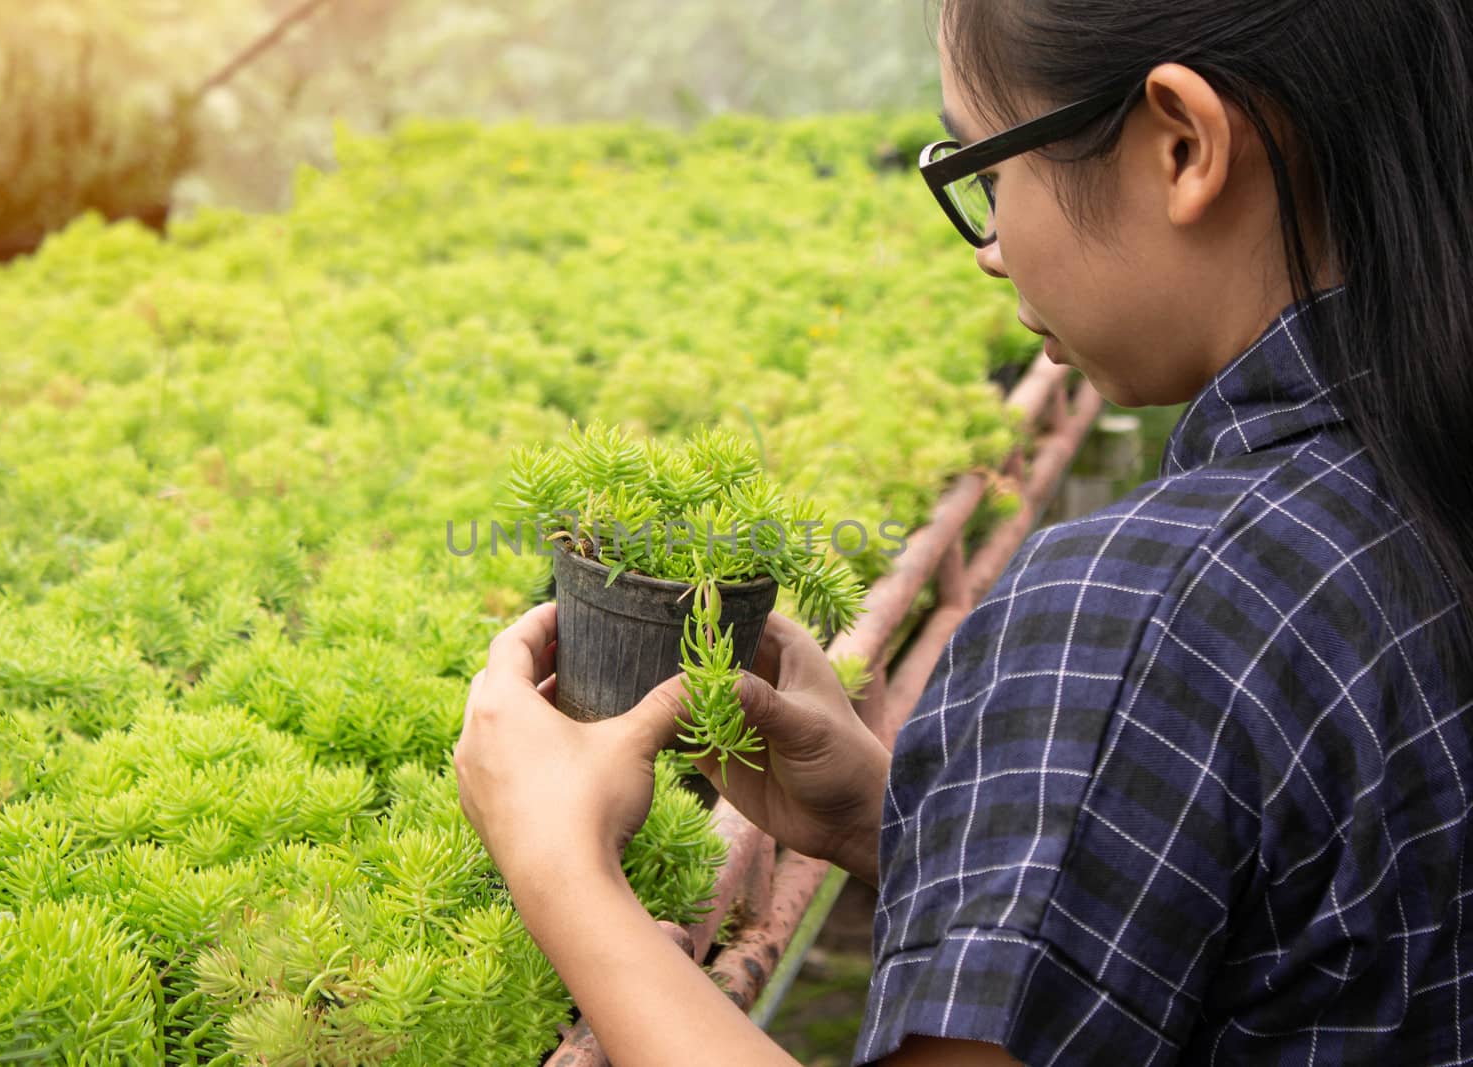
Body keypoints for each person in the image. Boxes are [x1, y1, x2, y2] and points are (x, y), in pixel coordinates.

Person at [454, 0, 1473, 1062]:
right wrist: (892, 822)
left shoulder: (1137, 604)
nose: (989, 249)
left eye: (990, 171)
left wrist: (561, 871)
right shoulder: (1405, 474)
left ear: (1182, 144)